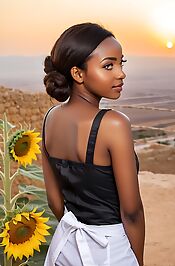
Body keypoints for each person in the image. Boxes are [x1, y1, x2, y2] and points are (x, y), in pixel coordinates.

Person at [41, 22, 145, 266]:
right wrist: (136, 260)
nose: (120, 73)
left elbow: (55, 202)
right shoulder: (114, 125)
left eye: (121, 63)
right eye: (108, 65)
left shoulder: (50, 119)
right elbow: (131, 212)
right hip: (110, 250)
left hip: (66, 248)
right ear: (78, 74)